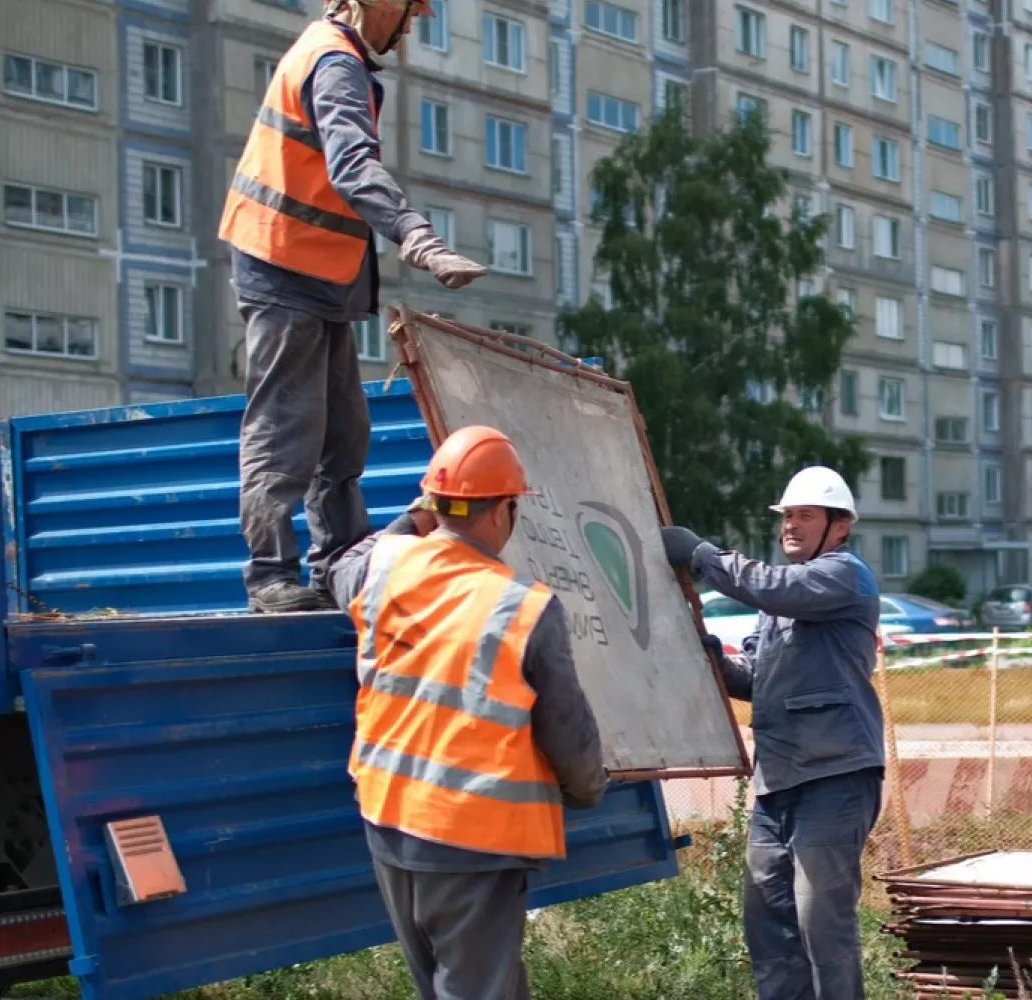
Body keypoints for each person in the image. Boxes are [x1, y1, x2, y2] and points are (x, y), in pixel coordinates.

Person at [219, 0, 489, 614]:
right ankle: (270, 577)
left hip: (317, 275)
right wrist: (417, 236)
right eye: (411, 12)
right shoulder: (333, 62)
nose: (413, 25)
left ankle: (337, 565)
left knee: (343, 435)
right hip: (283, 264)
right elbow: (351, 164)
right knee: (286, 429)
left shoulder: (333, 56)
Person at [327, 425, 608, 1000]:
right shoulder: (524, 606)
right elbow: (568, 732)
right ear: (505, 509)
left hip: (387, 821)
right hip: (469, 838)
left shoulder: (385, 568)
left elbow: (337, 570)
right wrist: (587, 789)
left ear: (434, 505)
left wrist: (414, 519)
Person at [658, 466, 884, 1000]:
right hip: (777, 781)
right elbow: (755, 680)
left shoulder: (843, 576)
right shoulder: (782, 609)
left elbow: (772, 587)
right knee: (769, 928)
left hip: (835, 776)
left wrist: (702, 557)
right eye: (787, 516)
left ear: (840, 525)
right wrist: (713, 659)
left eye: (806, 515)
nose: (792, 525)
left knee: (820, 925)